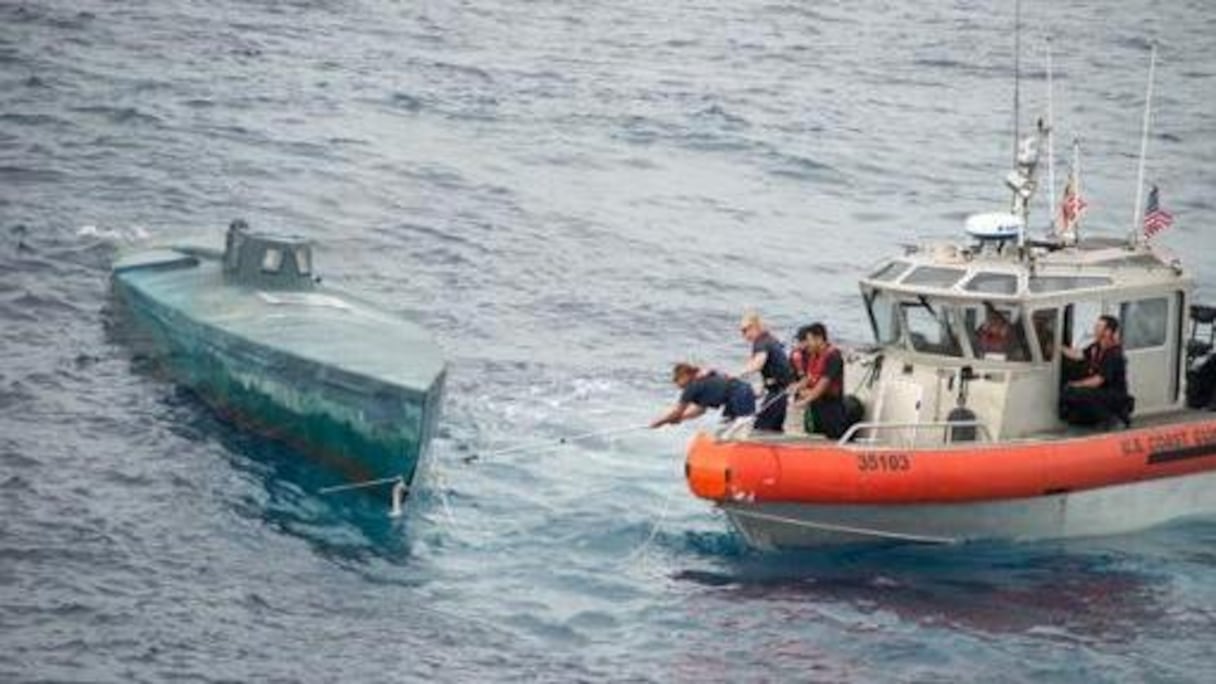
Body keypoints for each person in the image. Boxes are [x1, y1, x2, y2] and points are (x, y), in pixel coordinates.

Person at [1058, 315, 1132, 427]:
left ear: (1108, 332)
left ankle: (1113, 418)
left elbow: (1098, 380)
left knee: (1078, 393)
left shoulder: (1114, 354)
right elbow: (1079, 355)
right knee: (1070, 398)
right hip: (1101, 392)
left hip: (1114, 395)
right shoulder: (1096, 347)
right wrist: (1059, 347)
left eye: (1098, 327)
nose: (1095, 329)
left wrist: (1076, 385)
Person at [650, 363, 756, 428]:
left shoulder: (692, 386)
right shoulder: (701, 382)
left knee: (741, 425)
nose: (677, 384)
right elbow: (699, 410)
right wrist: (680, 418)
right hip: (738, 394)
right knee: (726, 425)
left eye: (677, 380)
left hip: (740, 394)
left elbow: (677, 411)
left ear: (685, 376)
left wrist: (660, 422)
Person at [739, 311, 795, 432]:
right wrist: (760, 390)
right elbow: (771, 368)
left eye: (745, 330)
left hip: (778, 392)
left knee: (760, 427)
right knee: (774, 427)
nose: (743, 335)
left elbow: (759, 363)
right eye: (741, 331)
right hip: (781, 391)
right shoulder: (769, 339)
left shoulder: (761, 342)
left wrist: (739, 373)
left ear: (755, 327)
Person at [791, 322, 848, 439]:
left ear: (819, 339)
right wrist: (796, 387)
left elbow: (822, 386)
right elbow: (809, 377)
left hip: (831, 408)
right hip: (816, 407)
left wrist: (803, 401)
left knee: (832, 438)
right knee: (815, 436)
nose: (807, 344)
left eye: (809, 340)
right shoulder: (813, 355)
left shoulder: (833, 357)